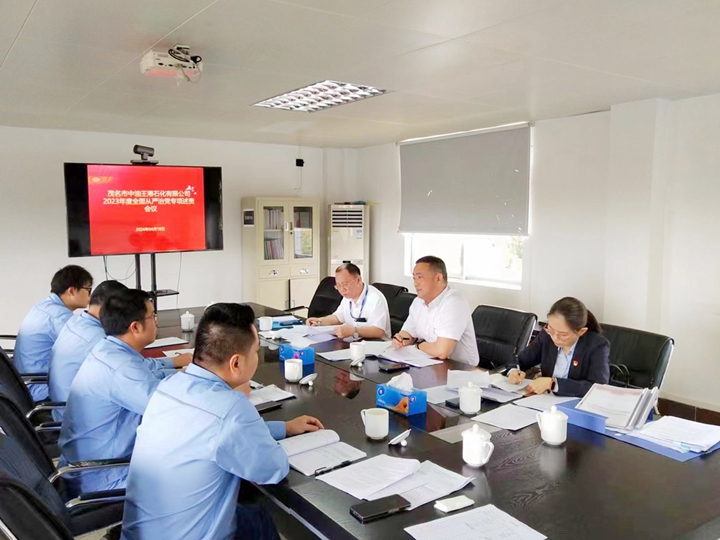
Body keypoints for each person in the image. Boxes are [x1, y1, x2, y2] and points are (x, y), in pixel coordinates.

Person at [120, 303, 324, 540]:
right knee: (259, 515)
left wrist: (284, 428)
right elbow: (272, 469)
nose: (257, 358)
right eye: (255, 351)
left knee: (247, 511)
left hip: (143, 532)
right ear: (236, 363)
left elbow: (216, 433)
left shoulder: (169, 386)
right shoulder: (231, 409)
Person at [58, 288, 191, 495]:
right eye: (153, 316)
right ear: (135, 327)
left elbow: (146, 374)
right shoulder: (120, 367)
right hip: (103, 474)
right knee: (201, 469)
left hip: (88, 463)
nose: (157, 322)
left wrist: (185, 374)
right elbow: (170, 410)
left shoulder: (109, 349)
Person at [48, 280, 128, 421]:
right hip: (79, 418)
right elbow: (126, 375)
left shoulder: (76, 321)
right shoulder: (97, 339)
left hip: (62, 407)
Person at [13, 265, 93, 401]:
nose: (90, 296)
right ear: (72, 290)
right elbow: (89, 347)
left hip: (26, 385)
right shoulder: (58, 317)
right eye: (88, 290)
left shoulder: (44, 306)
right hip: (41, 390)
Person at [506, 297, 610, 397]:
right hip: (544, 400)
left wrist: (553, 384)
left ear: (581, 331)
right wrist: (514, 371)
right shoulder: (546, 336)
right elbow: (520, 360)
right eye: (551, 330)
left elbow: (598, 387)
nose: (554, 338)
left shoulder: (597, 345)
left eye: (563, 334)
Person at [392, 256, 479, 366]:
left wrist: (419, 345)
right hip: (430, 363)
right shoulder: (418, 302)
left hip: (460, 370)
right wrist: (401, 340)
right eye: (414, 278)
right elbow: (408, 332)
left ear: (438, 278)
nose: (415, 283)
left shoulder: (454, 302)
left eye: (420, 277)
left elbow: (442, 351)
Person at [306, 263, 391, 340]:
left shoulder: (375, 298)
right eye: (338, 285)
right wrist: (319, 321)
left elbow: (379, 331)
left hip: (376, 344)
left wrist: (354, 331)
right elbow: (338, 317)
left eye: (345, 284)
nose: (342, 289)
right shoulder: (348, 297)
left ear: (358, 280)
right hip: (354, 341)